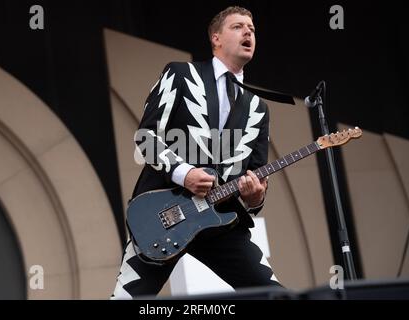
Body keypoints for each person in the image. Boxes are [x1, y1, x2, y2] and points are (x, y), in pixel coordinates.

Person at [112, 6, 282, 299]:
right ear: (216, 38)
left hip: (222, 224)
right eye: (238, 27)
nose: (248, 32)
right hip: (163, 214)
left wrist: (256, 198)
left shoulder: (259, 108)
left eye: (252, 29)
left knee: (275, 296)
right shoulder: (179, 74)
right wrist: (185, 173)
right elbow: (145, 137)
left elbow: (254, 177)